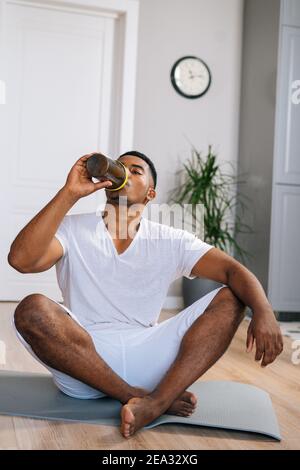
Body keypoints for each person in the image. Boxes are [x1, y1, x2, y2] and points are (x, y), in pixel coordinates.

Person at [8, 151, 283, 439]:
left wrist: (264, 311)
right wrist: (69, 193)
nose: (123, 173)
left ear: (150, 193)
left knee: (232, 297)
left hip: (150, 356)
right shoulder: (73, 228)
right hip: (82, 361)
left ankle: (156, 401)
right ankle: (143, 399)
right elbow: (21, 260)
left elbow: (232, 271)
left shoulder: (170, 239)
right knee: (31, 308)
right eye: (119, 167)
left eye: (135, 171)